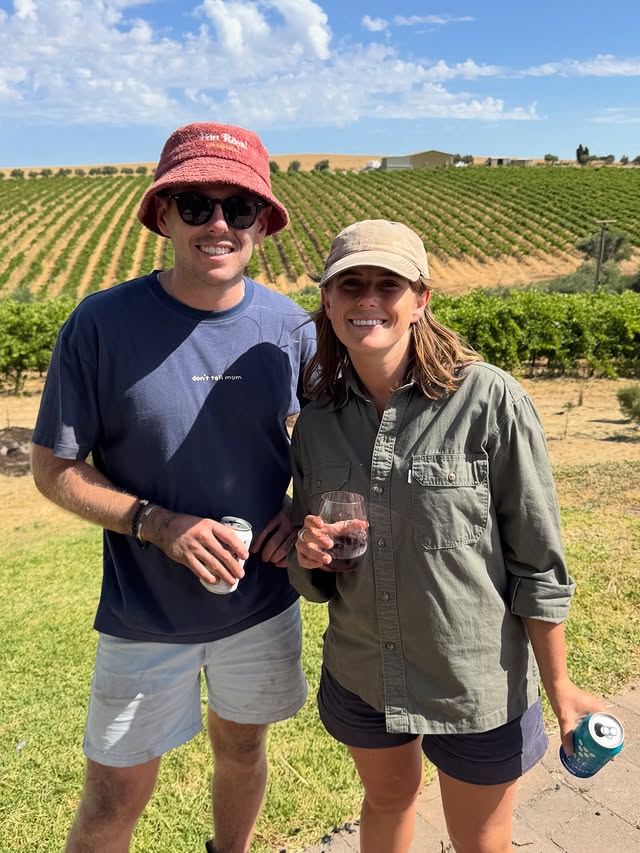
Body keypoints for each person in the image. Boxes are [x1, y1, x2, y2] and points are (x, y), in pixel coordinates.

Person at [31, 122, 315, 853]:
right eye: (195, 204)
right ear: (163, 215)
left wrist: (299, 507)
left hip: (260, 605)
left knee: (244, 751)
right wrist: (156, 523)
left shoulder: (289, 327)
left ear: (261, 224)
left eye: (239, 207)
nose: (218, 223)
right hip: (143, 618)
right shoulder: (100, 325)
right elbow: (54, 467)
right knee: (110, 800)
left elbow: (325, 446)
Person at [288, 219, 607, 853]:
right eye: (351, 284)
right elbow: (315, 574)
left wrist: (561, 688)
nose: (368, 299)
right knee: (386, 801)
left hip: (472, 681)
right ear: (328, 300)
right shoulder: (319, 422)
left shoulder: (489, 400)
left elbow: (538, 563)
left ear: (421, 300)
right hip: (363, 670)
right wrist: (311, 554)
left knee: (481, 841)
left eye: (388, 284)